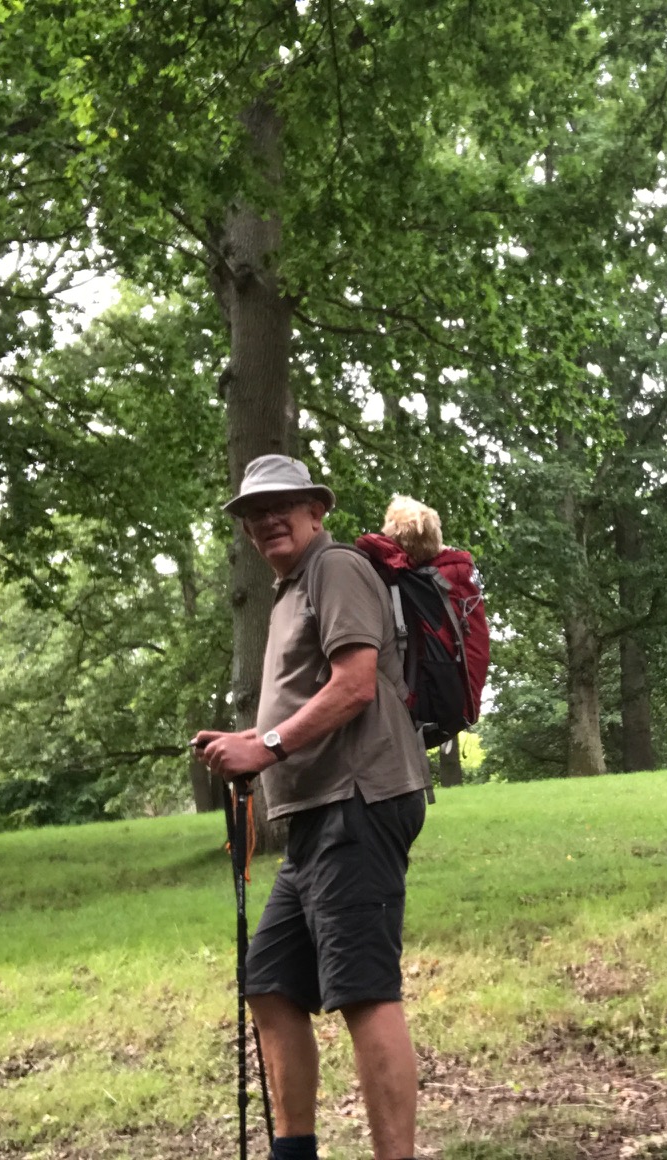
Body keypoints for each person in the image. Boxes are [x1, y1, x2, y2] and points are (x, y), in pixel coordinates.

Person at [193, 454, 431, 1160]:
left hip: (358, 802)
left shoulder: (337, 569)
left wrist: (263, 747)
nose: (267, 520)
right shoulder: (291, 589)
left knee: (364, 990)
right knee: (269, 981)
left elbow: (355, 684)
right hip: (317, 818)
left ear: (315, 511)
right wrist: (251, 747)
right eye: (253, 513)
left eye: (282, 506)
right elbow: (306, 699)